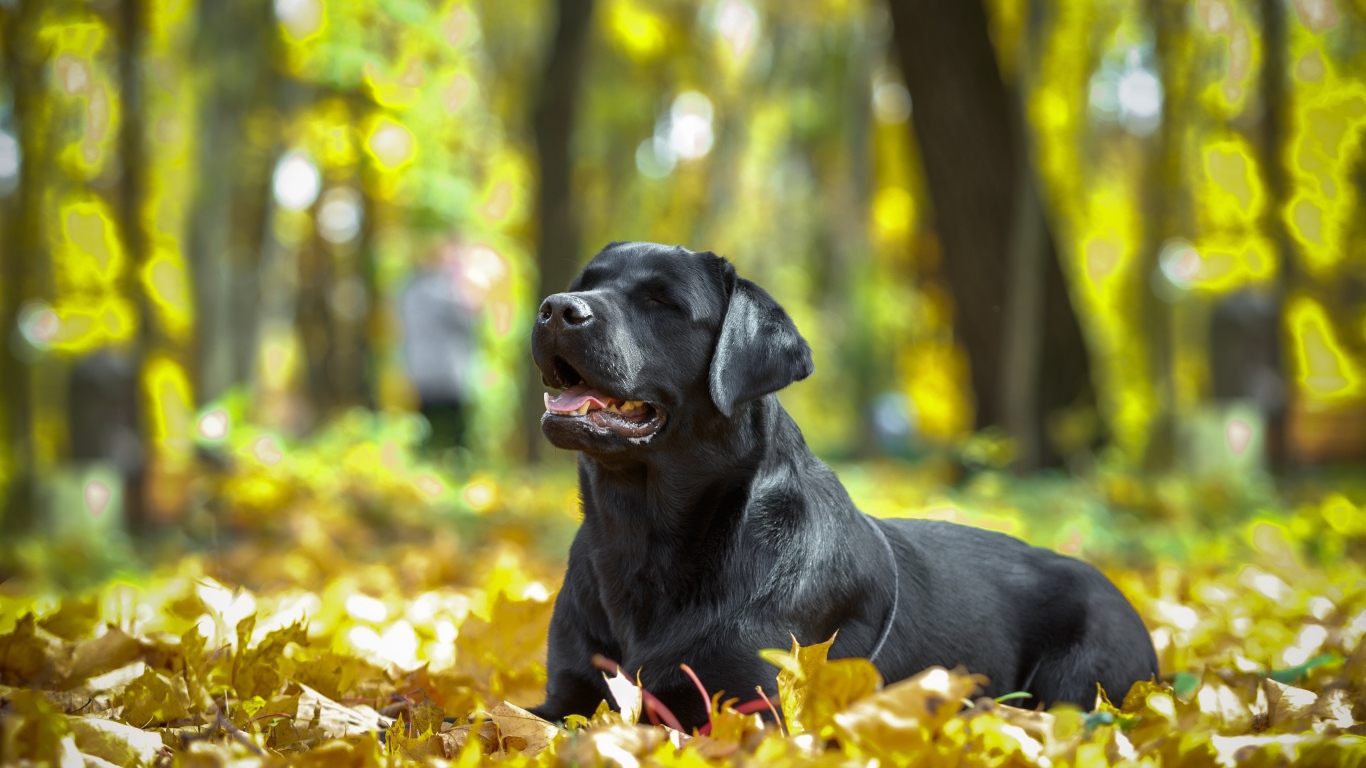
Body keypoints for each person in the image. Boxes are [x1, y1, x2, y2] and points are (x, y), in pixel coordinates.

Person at [399, 238, 476, 452]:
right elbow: (467, 320)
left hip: (420, 370)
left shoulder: (407, 292)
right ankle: (459, 465)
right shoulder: (443, 291)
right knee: (457, 431)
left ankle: (422, 468)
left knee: (425, 427)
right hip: (447, 372)